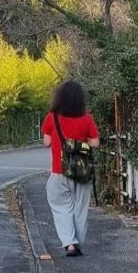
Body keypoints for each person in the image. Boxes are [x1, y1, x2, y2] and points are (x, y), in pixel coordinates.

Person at [41, 80, 100, 257]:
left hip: (59, 171)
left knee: (61, 207)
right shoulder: (87, 118)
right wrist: (81, 142)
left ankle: (70, 243)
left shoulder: (52, 117)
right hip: (81, 172)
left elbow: (47, 142)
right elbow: (95, 143)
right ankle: (79, 242)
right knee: (80, 208)